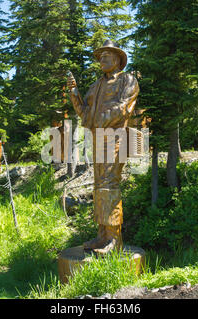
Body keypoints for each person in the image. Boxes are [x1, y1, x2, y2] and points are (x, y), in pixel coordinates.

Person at [67, 40, 139, 254]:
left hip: (116, 138)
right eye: (100, 57)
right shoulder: (96, 86)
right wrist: (74, 93)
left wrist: (101, 120)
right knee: (99, 186)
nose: (101, 60)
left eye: (106, 56)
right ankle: (102, 235)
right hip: (98, 139)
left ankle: (114, 238)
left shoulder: (128, 80)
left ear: (117, 59)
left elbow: (125, 107)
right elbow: (85, 112)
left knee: (110, 185)